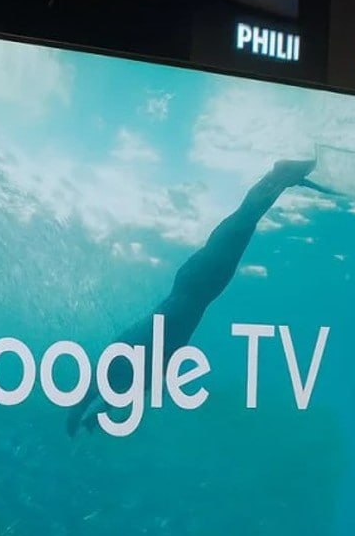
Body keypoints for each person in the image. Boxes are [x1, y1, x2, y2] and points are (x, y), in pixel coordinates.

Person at [67, 157, 318, 435]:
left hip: (195, 287)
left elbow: (111, 386)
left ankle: (279, 176)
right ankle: (280, 180)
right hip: (197, 289)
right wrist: (95, 413)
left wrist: (86, 411)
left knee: (242, 224)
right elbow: (119, 390)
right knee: (243, 225)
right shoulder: (132, 376)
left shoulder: (124, 368)